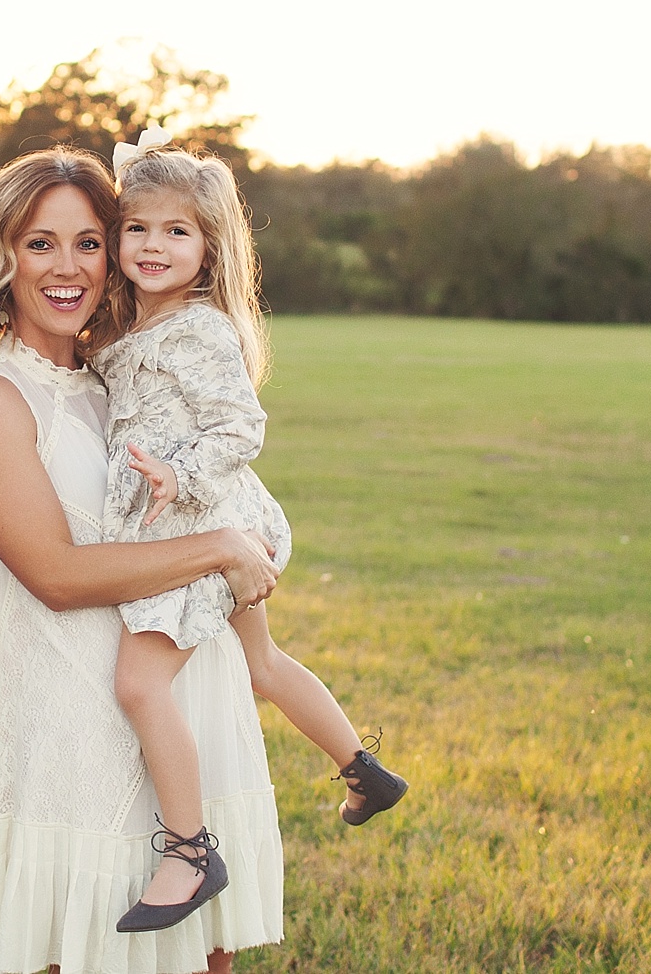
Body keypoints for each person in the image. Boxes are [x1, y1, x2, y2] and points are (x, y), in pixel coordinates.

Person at [0, 149, 284, 974]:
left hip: (172, 714)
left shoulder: (121, 379)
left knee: (202, 960)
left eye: (88, 242)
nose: (67, 268)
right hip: (63, 737)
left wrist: (244, 541)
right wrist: (223, 551)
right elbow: (53, 576)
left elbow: (220, 487)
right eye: (40, 243)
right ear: (1, 255)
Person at [98, 134, 408, 934]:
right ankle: (362, 769)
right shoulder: (136, 323)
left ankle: (190, 851)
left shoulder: (198, 330)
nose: (154, 245)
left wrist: (180, 475)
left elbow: (241, 426)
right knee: (261, 661)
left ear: (207, 250)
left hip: (198, 526)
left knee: (139, 682)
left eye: (176, 232)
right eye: (138, 228)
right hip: (219, 520)